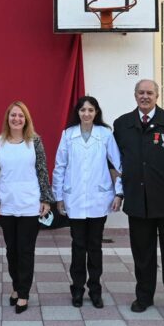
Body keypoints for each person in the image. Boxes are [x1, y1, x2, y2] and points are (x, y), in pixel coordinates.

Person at [112, 79, 164, 318]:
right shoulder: (122, 124)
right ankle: (144, 296)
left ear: (157, 96)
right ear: (135, 95)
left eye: (150, 92)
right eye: (141, 92)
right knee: (143, 255)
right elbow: (115, 160)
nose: (145, 96)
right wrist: (121, 188)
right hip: (139, 202)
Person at [52, 96, 123, 309]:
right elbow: (60, 167)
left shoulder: (105, 134)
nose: (86, 114)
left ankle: (95, 290)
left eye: (90, 110)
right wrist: (58, 197)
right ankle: (77, 289)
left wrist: (119, 193)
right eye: (83, 110)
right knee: (77, 246)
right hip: (74, 198)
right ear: (78, 112)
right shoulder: (68, 134)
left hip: (98, 199)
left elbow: (118, 165)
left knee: (95, 247)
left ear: (96, 112)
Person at [0, 101, 54, 314]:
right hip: (6, 204)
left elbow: (42, 170)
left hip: (29, 203)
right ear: (7, 118)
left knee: (26, 251)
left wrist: (45, 199)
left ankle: (23, 293)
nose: (16, 119)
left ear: (26, 119)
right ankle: (16, 286)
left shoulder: (35, 141)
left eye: (21, 116)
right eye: (13, 115)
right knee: (11, 251)